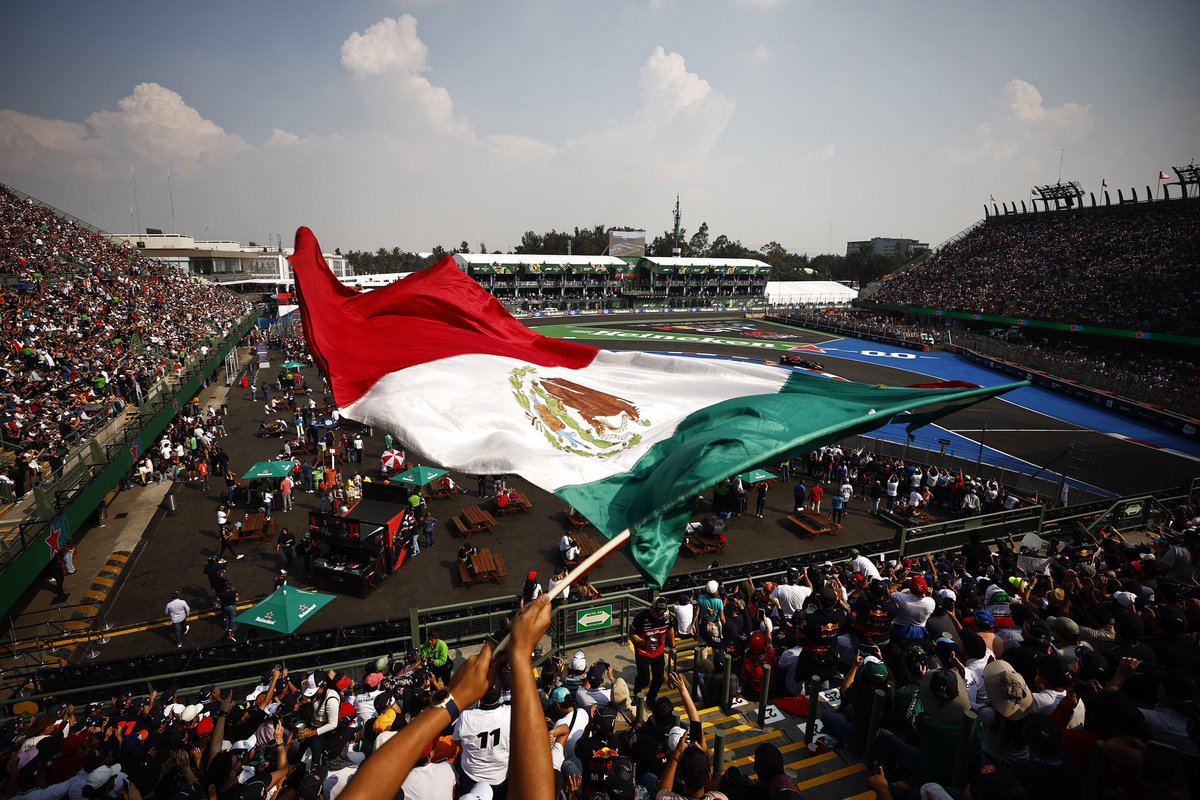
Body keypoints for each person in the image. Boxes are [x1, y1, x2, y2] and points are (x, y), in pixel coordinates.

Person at [629, 595, 675, 708]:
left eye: (662, 613)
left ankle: (650, 698)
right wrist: (645, 643)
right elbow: (631, 634)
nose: (660, 616)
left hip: (658, 652)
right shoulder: (641, 617)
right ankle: (637, 691)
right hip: (643, 652)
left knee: (659, 679)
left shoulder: (667, 617)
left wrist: (673, 646)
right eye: (658, 613)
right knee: (644, 681)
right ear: (652, 608)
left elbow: (670, 629)